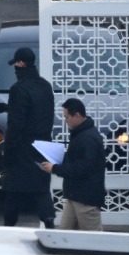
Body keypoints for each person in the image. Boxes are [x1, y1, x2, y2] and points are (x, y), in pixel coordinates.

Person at [0, 46, 56, 228]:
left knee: (13, 189)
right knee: (41, 189)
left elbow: (17, 123)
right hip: (44, 145)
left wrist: (9, 150)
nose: (15, 68)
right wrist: (9, 107)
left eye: (16, 64)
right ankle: (49, 224)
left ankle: (9, 227)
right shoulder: (45, 86)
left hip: (23, 147)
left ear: (20, 63)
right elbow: (39, 111)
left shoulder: (18, 89)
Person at [40, 97, 106, 231]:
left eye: (67, 117)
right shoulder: (81, 134)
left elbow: (82, 168)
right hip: (75, 196)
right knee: (64, 235)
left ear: (77, 115)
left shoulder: (87, 138)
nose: (66, 121)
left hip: (86, 199)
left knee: (93, 241)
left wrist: (55, 168)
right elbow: (77, 161)